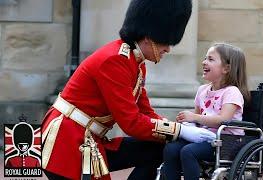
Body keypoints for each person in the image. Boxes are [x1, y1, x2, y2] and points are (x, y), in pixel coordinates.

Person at [41, 0, 216, 179]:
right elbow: (131, 123)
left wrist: (177, 130)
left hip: (90, 139)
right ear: (148, 37)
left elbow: (145, 112)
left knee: (156, 148)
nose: (168, 49)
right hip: (68, 141)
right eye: (165, 41)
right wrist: (180, 131)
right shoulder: (114, 61)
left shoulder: (136, 64)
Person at [162, 43, 251, 180]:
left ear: (226, 68)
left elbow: (224, 120)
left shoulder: (232, 92)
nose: (204, 62)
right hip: (204, 138)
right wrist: (186, 123)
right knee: (171, 149)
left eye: (210, 59)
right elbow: (196, 120)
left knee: (188, 152)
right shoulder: (202, 90)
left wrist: (194, 117)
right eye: (205, 58)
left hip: (226, 142)